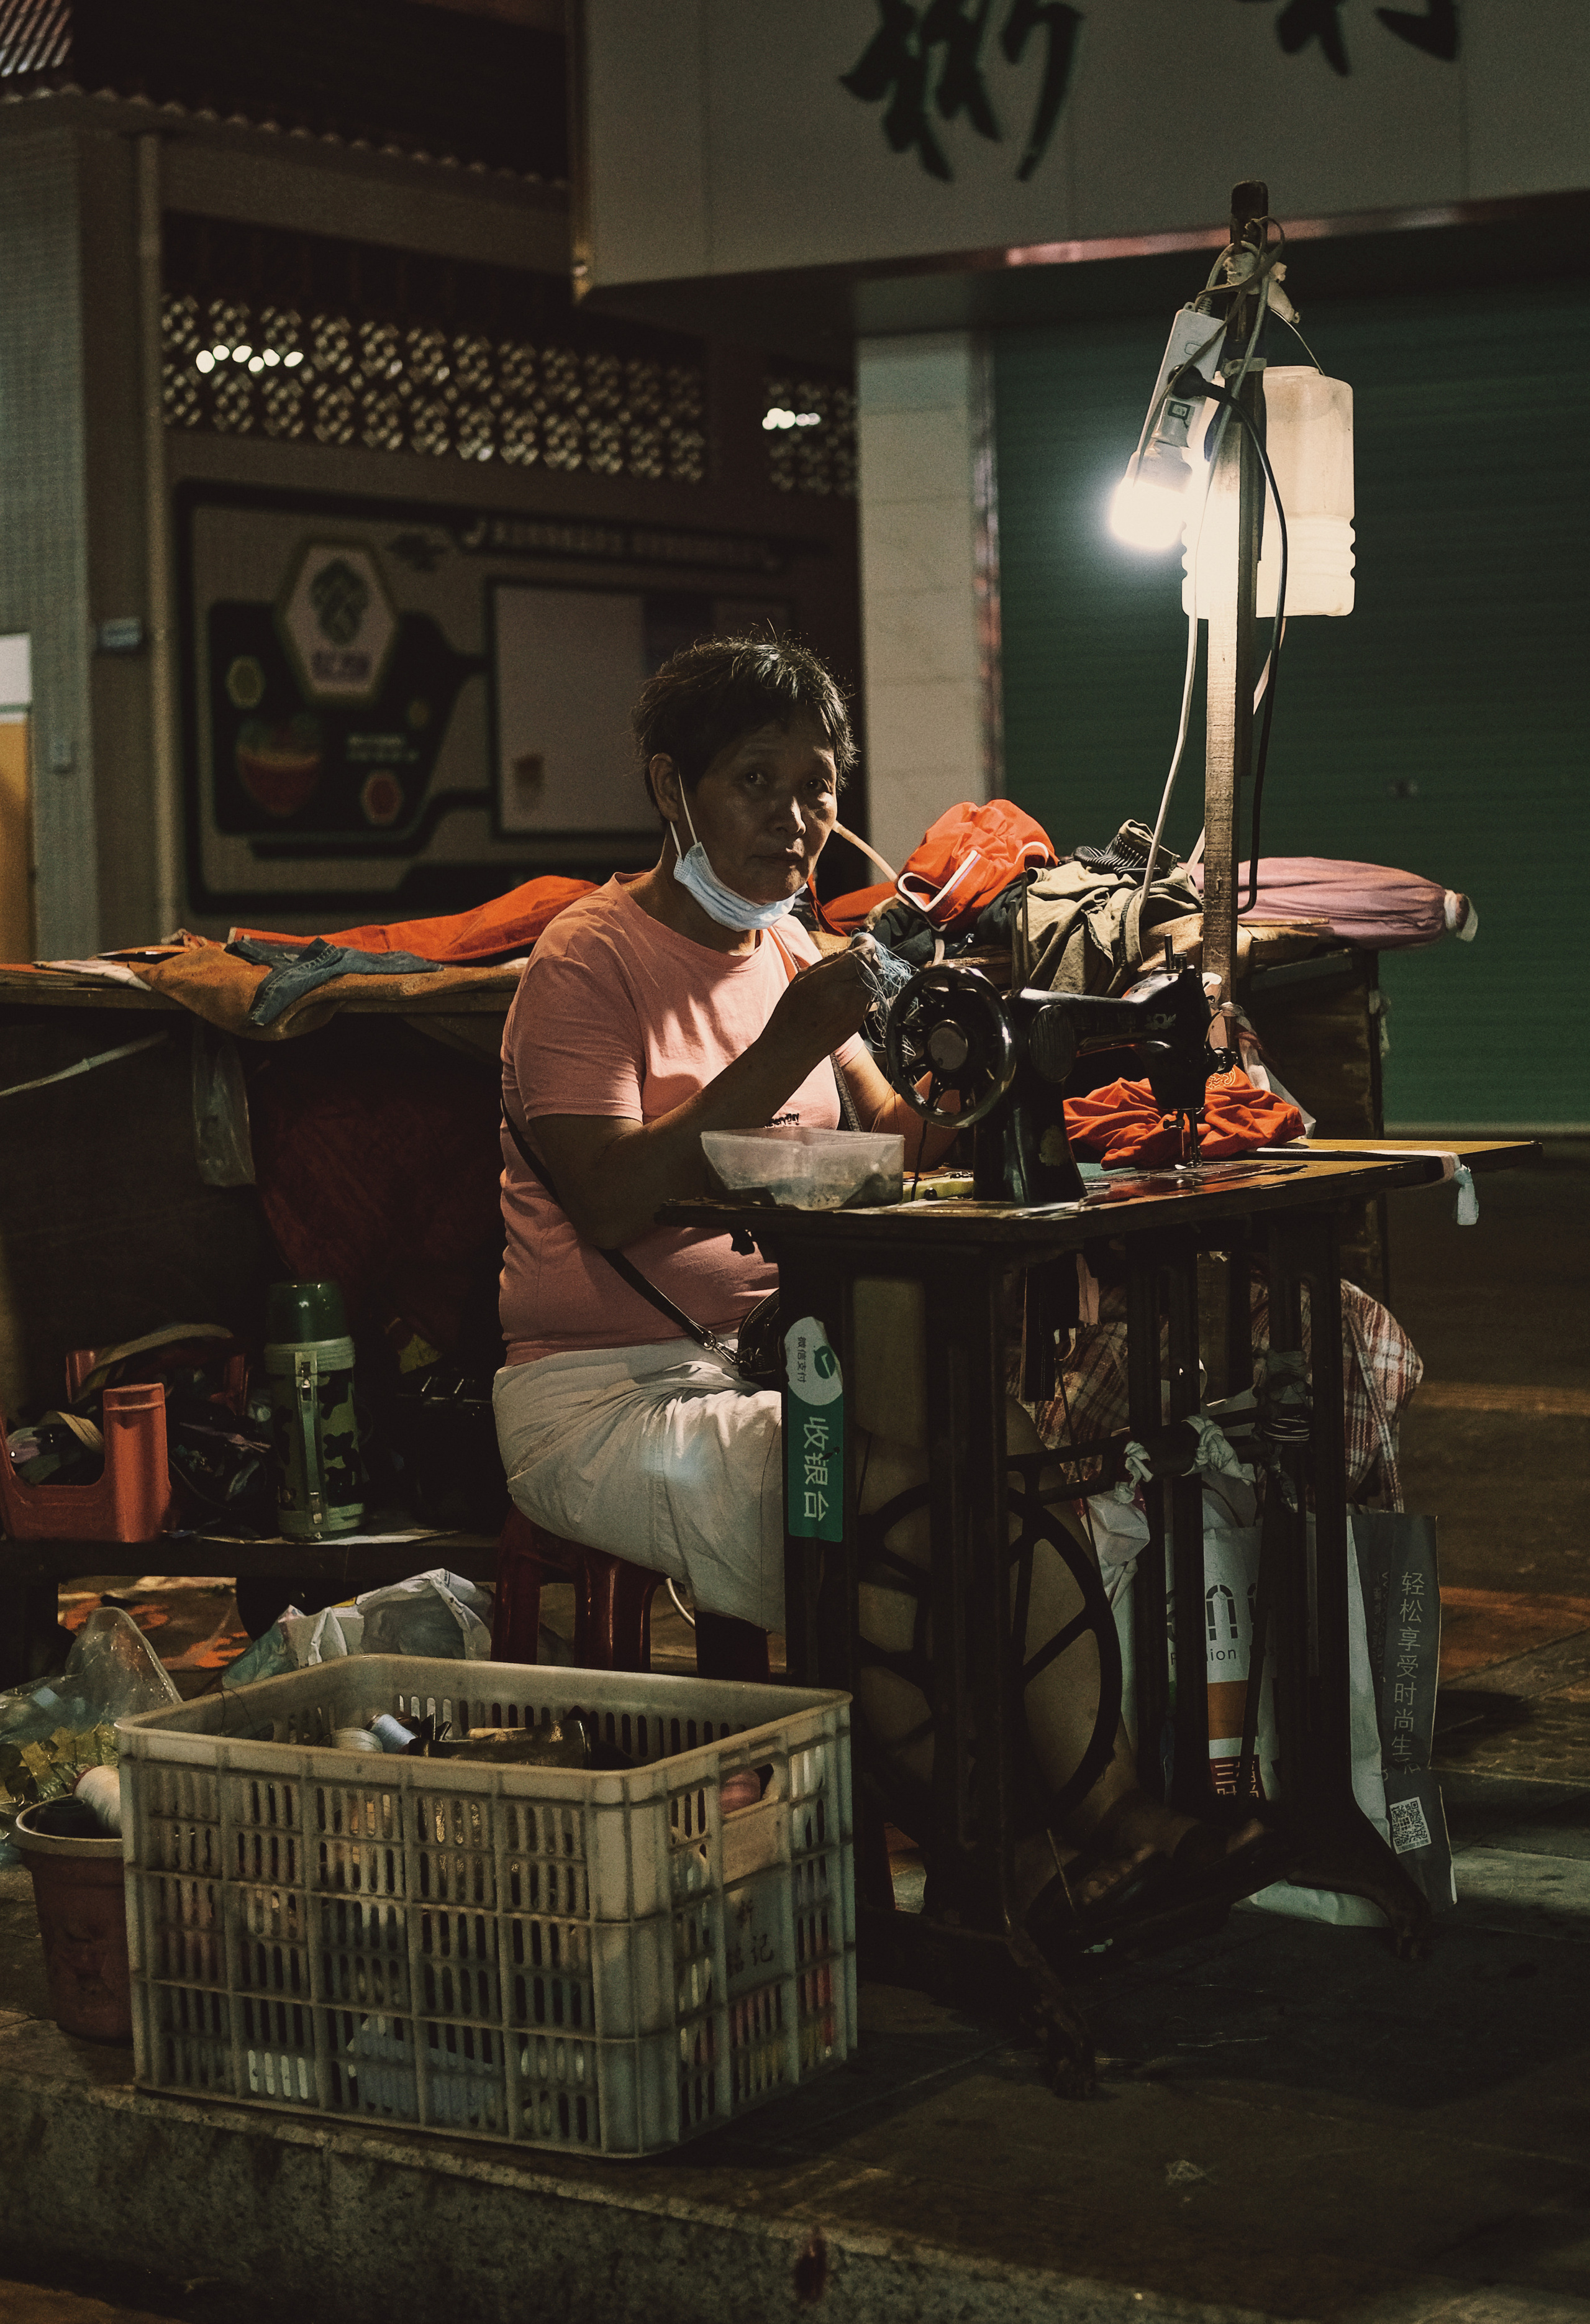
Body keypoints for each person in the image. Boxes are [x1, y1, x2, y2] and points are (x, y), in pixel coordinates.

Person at [494, 635, 1267, 1951]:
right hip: (602, 1394)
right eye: (757, 782)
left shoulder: (791, 945)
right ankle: (1013, 1865)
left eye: (817, 786)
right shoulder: (588, 961)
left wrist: (1017, 1078)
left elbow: (902, 1137)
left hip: (767, 1367)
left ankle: (1097, 1824)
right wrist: (790, 1037)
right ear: (672, 787)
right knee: (896, 1512)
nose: (796, 820)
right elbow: (612, 1201)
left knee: (994, 1448)